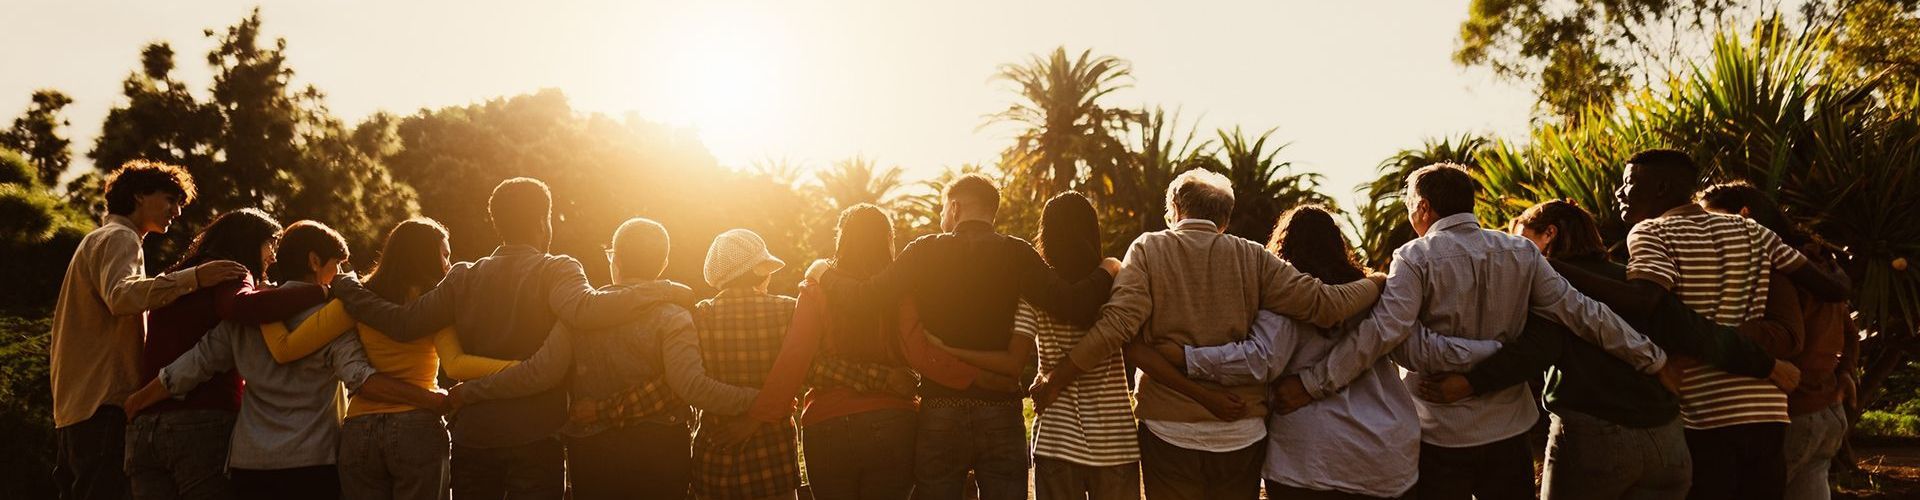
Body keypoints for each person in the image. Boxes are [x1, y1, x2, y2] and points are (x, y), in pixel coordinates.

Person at [1270, 164, 1670, 500]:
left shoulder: (1414, 256)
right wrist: (1651, 358)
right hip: (1509, 429)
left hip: (1439, 435)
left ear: (1423, 207)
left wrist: (1311, 384)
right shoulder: (1521, 252)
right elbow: (1584, 314)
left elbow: (1385, 334)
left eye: (1410, 207)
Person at [323, 178, 691, 499]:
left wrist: (347, 287)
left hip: (473, 437)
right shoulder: (558, 269)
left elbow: (402, 323)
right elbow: (586, 309)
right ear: (543, 222)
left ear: (496, 222)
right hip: (536, 436)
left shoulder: (463, 276)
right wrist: (662, 289)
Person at [1031, 170, 1388, 500]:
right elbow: (1325, 304)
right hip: (1240, 435)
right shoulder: (1253, 257)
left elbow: (1116, 328)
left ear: (1175, 208)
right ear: (1225, 219)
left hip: (1169, 432)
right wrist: (1375, 282)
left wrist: (1056, 378)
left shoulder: (1148, 249)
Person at [1419, 200, 1792, 500]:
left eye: (1521, 240)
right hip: (1666, 443)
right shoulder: (1629, 282)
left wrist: (1471, 382)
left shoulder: (1551, 288)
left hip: (1596, 441)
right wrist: (1767, 365)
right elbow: (1694, 330)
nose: (1513, 251)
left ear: (1549, 236)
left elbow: (1538, 347)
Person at [1132, 205, 1501, 500]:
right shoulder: (1374, 293)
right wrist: (1492, 352)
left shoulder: (1286, 299)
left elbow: (1260, 359)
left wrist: (1187, 356)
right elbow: (1416, 350)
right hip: (1386, 457)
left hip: (1307, 460)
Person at [811, 174, 1120, 500]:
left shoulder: (923, 250)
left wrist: (823, 272)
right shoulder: (1016, 252)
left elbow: (865, 298)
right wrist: (1108, 268)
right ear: (991, 210)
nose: (942, 217)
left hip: (940, 411)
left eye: (944, 209)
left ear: (955, 207)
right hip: (1000, 409)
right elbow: (1072, 304)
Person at [122, 221, 448, 500]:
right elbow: (360, 377)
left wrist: (140, 400)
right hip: (313, 462)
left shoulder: (247, 315)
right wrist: (431, 399)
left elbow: (194, 365)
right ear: (315, 260)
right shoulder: (332, 318)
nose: (343, 276)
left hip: (250, 464)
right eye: (339, 265)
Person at [1610, 149, 1850, 500]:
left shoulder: (1650, 232)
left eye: (1628, 183)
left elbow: (1648, 302)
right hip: (1767, 412)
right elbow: (1829, 289)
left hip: (1704, 414)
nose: (1619, 192)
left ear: (1661, 188)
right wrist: (1841, 271)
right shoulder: (1751, 229)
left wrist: (1558, 272)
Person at [748, 205, 1014, 500]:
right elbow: (920, 353)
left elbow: (795, 357)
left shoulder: (815, 289)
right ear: (887, 240)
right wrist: (977, 377)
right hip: (893, 424)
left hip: (827, 426)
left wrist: (759, 416)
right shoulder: (899, 293)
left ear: (842, 239)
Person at [49, 160, 247, 500]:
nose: (176, 211)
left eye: (180, 204)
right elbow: (122, 296)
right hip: (104, 405)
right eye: (170, 199)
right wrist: (195, 278)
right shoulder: (120, 238)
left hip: (76, 407)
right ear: (140, 195)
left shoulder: (96, 240)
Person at [126, 209, 330, 500]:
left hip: (147, 427)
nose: (273, 256)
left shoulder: (180, 275)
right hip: (199, 422)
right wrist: (322, 293)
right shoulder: (231, 272)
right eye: (270, 244)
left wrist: (140, 400)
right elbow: (240, 309)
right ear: (250, 242)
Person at [253, 218, 461, 500]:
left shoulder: (354, 300)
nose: (448, 264)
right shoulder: (435, 304)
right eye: (444, 254)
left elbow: (287, 348)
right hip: (417, 425)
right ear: (425, 256)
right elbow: (456, 363)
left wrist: (263, 301)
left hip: (360, 430)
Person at [1701, 182, 1858, 500]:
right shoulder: (1817, 264)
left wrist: (1704, 325)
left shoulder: (1771, 266)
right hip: (1826, 412)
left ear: (1744, 215)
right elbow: (1849, 330)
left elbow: (1787, 338)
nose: (1706, 232)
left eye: (1711, 220)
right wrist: (1845, 372)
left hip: (1793, 414)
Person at [996, 193, 1140, 500]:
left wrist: (1043, 380)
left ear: (1046, 234)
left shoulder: (1036, 292)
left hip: (1057, 437)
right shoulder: (1117, 282)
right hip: (1114, 439)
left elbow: (1017, 353)